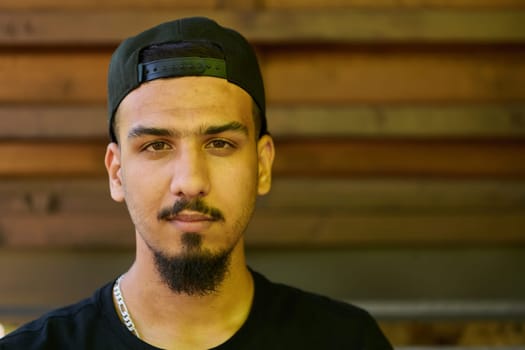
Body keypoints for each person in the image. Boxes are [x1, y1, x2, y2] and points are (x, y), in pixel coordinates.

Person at [0, 17, 393, 349]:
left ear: (262, 165)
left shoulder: (345, 340)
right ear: (116, 172)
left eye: (220, 143)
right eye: (156, 145)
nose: (190, 182)